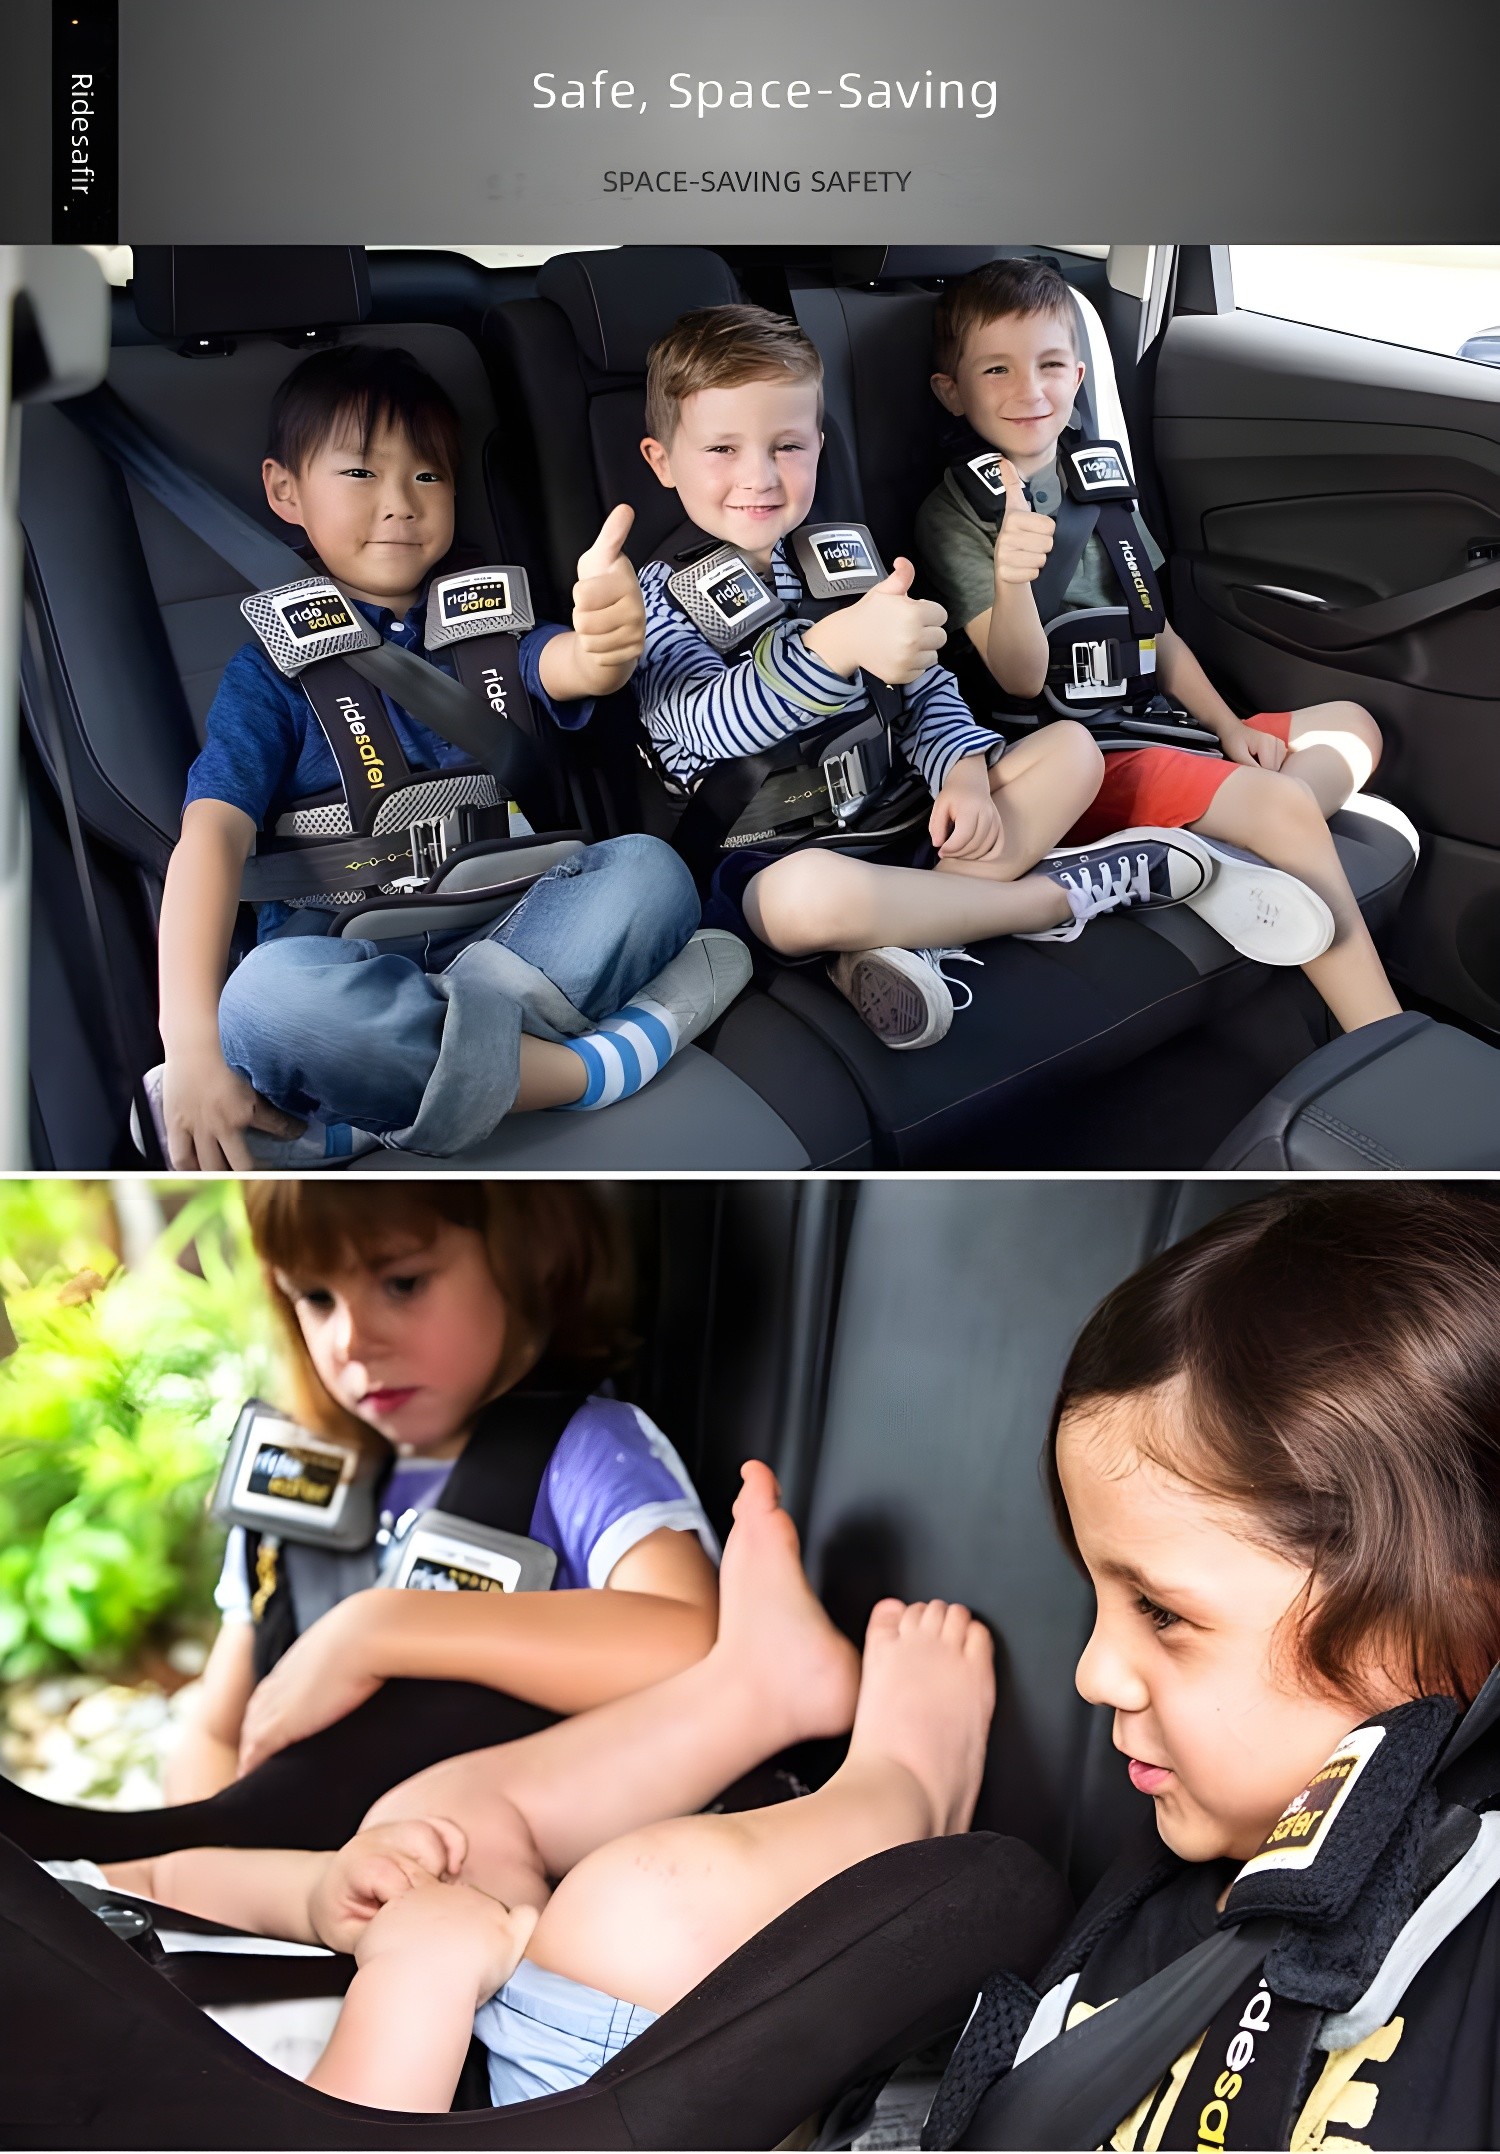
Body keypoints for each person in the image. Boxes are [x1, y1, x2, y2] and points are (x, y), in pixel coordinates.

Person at [94, 1461, 999, 2114]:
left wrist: (322, 1895)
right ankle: (907, 1788)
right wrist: (417, 1978)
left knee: (435, 1820)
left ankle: (755, 1693)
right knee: (634, 1906)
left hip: (433, 2035)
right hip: (534, 2120)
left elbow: (150, 1892)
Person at [925, 1183, 1500, 2150]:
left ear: (1449, 1619)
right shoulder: (1149, 1902)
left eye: (1162, 1612)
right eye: (1100, 1602)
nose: (1095, 1674)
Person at [153, 342, 748, 1170]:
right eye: (361, 474)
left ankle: (376, 1102)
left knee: (650, 868)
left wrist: (607, 644)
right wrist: (188, 1047)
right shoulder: (272, 670)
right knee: (263, 1000)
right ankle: (592, 1068)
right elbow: (212, 839)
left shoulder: (487, 622)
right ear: (286, 492)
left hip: (516, 922)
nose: (400, 503)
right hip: (352, 938)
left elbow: (568, 665)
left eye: (427, 476)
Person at [635, 304, 1289, 1054]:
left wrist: (964, 774)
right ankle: (1055, 897)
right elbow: (699, 726)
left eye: (787, 445)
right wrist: (832, 648)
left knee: (1070, 750)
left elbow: (926, 691)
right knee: (804, 902)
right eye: (722, 448)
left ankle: (904, 937)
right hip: (771, 853)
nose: (759, 475)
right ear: (662, 460)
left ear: (819, 443)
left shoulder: (842, 559)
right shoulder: (657, 596)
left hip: (911, 825)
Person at [916, 256, 1402, 1035]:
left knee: (1353, 727)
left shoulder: (1100, 484)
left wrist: (1228, 726)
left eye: (1047, 365)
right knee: (1281, 803)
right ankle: (1379, 1032)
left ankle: (1212, 856)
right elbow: (1013, 678)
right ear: (954, 390)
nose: (1028, 390)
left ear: (1077, 375)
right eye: (996, 369)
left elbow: (1156, 631)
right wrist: (1013, 578)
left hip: (1149, 720)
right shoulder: (954, 515)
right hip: (1067, 750)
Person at [165, 1179, 719, 1807]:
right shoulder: (293, 1480)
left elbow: (690, 1640)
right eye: (317, 1298)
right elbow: (215, 1733)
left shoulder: (582, 1454)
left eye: (402, 1283)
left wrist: (376, 1630)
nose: (351, 1340)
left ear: (527, 1256)